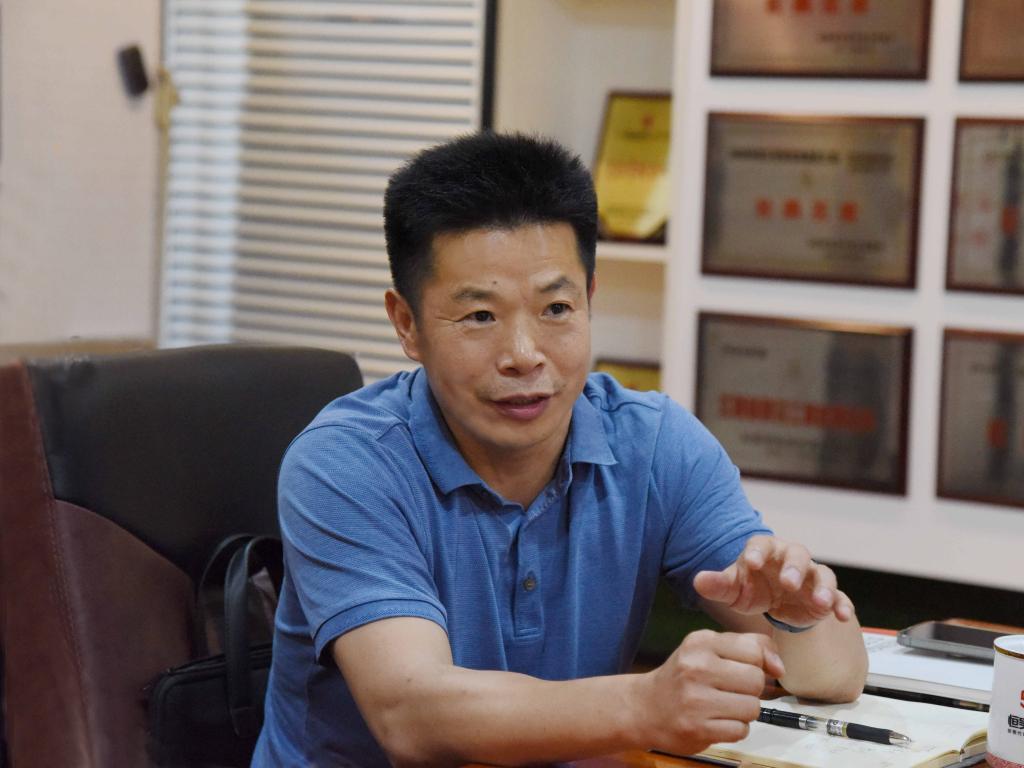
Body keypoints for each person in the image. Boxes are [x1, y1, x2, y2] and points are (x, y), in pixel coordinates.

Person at [252, 132, 868, 768]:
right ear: (406, 324)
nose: (525, 355)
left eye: (556, 308)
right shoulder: (347, 463)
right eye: (480, 317)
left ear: (589, 300)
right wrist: (643, 704)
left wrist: (799, 619)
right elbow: (412, 716)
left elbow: (836, 678)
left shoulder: (654, 443)